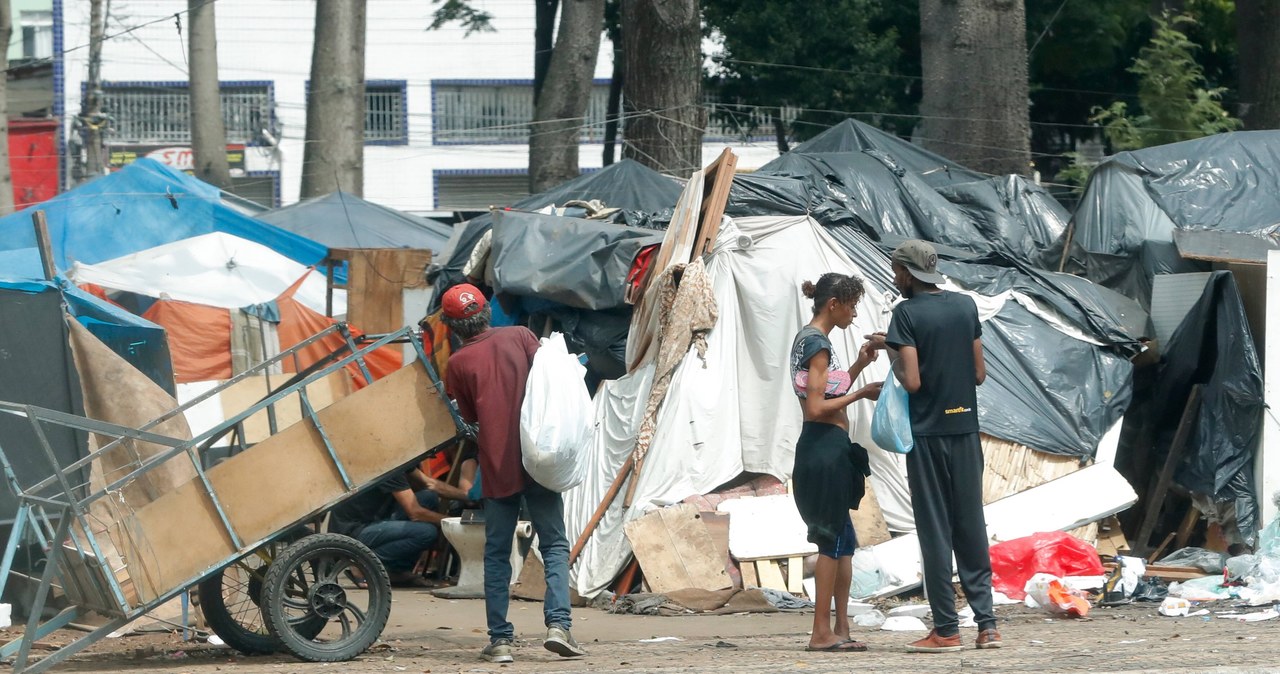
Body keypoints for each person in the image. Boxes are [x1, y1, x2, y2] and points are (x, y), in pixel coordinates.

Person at [439, 283, 585, 664]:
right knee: (553, 544)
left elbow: (468, 419)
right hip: (538, 460)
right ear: (486, 311)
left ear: (453, 326)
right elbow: (551, 381)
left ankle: (501, 641)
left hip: (498, 467)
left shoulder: (457, 364)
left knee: (497, 555)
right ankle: (558, 626)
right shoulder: (520, 336)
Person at [867, 239, 1001, 652]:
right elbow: (979, 374)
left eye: (896, 271)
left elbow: (912, 382)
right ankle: (987, 626)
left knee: (935, 531)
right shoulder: (965, 307)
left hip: (927, 436)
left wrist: (888, 348)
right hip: (965, 431)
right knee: (970, 525)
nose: (895, 278)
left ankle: (946, 629)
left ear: (907, 273)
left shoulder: (905, 314)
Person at [789, 272, 883, 653]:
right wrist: (861, 392)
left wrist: (859, 365)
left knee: (845, 543)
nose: (854, 314)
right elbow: (814, 408)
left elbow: (827, 388)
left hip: (829, 449)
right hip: (822, 449)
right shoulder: (818, 346)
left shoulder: (809, 339)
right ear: (834, 304)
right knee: (830, 542)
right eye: (851, 305)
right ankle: (820, 633)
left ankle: (840, 626)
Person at [327, 466, 444, 588]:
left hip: (374, 520)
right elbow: (415, 512)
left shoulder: (404, 460)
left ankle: (397, 570)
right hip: (352, 532)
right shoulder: (390, 465)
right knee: (426, 533)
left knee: (429, 498)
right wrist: (451, 520)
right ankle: (362, 563)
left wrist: (464, 495)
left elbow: (429, 483)